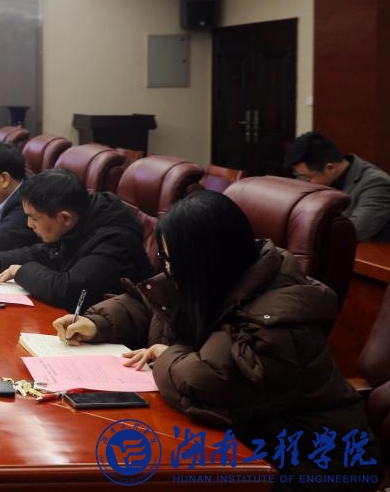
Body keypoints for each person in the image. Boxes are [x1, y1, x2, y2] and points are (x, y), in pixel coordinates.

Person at [56, 191, 379, 487]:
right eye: (165, 259)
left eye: (172, 261)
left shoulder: (282, 314)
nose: (168, 269)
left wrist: (166, 354)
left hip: (312, 461)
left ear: (207, 259)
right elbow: (152, 303)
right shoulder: (217, 277)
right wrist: (97, 323)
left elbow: (211, 384)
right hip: (247, 439)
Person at [0, 168, 153, 312]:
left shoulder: (115, 239)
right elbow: (43, 252)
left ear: (65, 218)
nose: (29, 224)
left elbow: (69, 290)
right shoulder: (79, 215)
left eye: (34, 218)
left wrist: (21, 271)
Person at [285, 131, 390, 241]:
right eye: (299, 176)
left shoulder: (376, 184)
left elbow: (354, 231)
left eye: (307, 177)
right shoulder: (312, 175)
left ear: (330, 168)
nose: (304, 182)